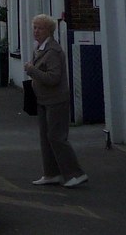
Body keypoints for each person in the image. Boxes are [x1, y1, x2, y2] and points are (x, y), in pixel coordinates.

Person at [24, 14, 88, 188]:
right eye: (35, 27)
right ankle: (52, 173)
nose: (36, 31)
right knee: (46, 137)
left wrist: (31, 70)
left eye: (40, 28)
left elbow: (53, 78)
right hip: (44, 100)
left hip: (56, 100)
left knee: (56, 137)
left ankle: (75, 173)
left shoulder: (53, 51)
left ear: (49, 31)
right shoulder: (40, 48)